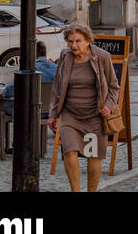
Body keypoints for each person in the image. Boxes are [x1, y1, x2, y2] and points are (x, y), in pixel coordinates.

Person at [49, 24, 120, 192]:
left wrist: (109, 106)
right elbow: (57, 87)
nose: (74, 46)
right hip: (70, 114)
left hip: (94, 115)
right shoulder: (65, 57)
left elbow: (113, 87)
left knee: (93, 156)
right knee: (69, 151)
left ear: (88, 40)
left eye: (78, 41)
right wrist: (53, 113)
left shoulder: (102, 57)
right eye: (70, 41)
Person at [0, 41, 58, 152]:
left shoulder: (29, 69)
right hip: (49, 111)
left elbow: (15, 89)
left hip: (28, 110)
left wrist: (2, 93)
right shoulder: (57, 68)